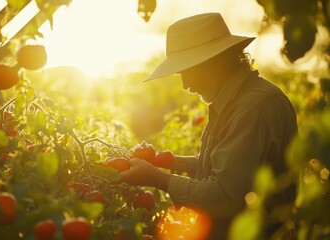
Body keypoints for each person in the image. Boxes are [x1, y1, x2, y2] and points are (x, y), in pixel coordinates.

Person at [120, 12, 297, 239]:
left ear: (215, 62)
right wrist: (174, 162)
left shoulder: (252, 108)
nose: (185, 84)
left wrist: (156, 178)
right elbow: (229, 169)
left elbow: (225, 195)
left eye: (187, 71)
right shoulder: (234, 100)